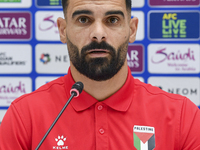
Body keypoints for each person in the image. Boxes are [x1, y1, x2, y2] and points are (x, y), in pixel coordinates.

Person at [0, 0, 200, 149]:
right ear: (63, 30)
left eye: (112, 20)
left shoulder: (183, 118)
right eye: (83, 19)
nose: (98, 33)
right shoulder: (24, 116)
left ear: (131, 30)